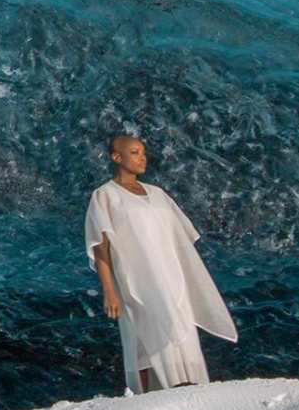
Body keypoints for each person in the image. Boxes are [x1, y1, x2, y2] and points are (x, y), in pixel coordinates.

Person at [84, 134, 236, 393]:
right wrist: (109, 291)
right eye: (134, 152)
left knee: (183, 334)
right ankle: (148, 398)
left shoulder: (158, 194)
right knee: (142, 338)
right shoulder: (105, 196)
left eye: (143, 152)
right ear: (116, 157)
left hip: (171, 278)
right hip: (136, 280)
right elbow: (101, 248)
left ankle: (195, 391)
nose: (142, 157)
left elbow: (180, 239)